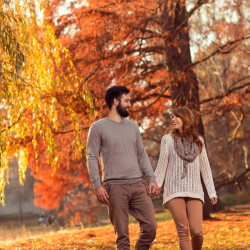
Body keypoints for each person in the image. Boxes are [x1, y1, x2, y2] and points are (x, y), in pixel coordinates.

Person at [86, 86, 159, 250]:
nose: (130, 104)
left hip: (138, 184)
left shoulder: (133, 127)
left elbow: (142, 154)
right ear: (115, 101)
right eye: (127, 101)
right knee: (122, 238)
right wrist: (97, 186)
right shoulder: (97, 128)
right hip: (115, 187)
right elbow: (91, 157)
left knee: (150, 227)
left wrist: (152, 179)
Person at [154, 107, 218, 250]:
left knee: (197, 232)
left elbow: (205, 168)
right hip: (174, 189)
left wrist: (212, 192)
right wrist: (156, 184)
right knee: (183, 232)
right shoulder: (167, 140)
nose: (173, 119)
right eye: (172, 117)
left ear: (187, 119)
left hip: (194, 190)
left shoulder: (199, 141)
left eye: (177, 116)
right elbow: (162, 165)